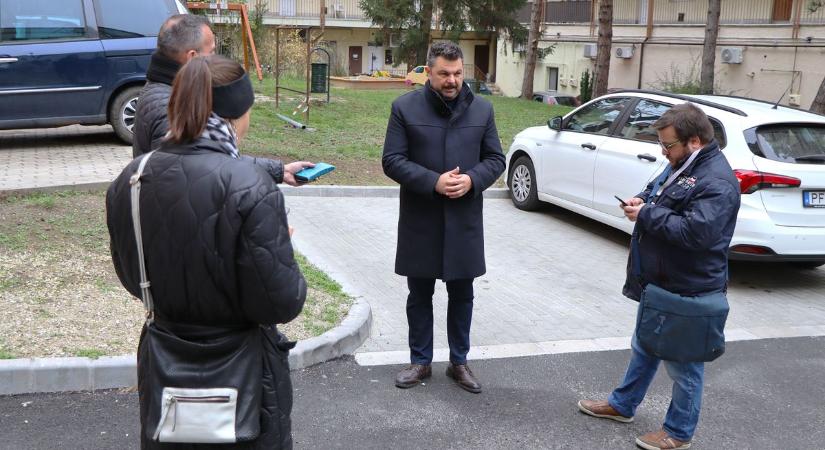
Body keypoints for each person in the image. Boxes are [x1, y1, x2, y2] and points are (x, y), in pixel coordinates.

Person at [107, 55, 307, 449]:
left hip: (164, 360)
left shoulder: (131, 179)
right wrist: (277, 245)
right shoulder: (250, 186)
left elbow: (133, 278)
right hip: (245, 373)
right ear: (236, 112)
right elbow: (283, 301)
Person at [577, 103, 741, 450]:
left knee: (684, 367)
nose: (664, 153)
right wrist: (642, 198)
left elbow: (696, 234)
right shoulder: (684, 164)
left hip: (688, 289)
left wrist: (647, 215)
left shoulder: (718, 181)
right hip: (662, 283)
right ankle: (622, 405)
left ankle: (679, 432)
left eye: (668, 146)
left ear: (694, 141)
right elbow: (661, 188)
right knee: (645, 347)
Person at [382, 42, 505, 394]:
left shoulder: (482, 110)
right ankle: (420, 361)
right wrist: (433, 181)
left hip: (464, 219)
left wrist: (471, 180)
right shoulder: (404, 107)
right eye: (444, 74)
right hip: (421, 218)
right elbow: (392, 160)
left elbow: (496, 160)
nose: (452, 81)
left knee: (462, 294)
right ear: (429, 72)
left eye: (457, 73)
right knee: (419, 294)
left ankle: (459, 362)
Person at [133, 14, 312, 185]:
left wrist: (280, 171)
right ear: (193, 57)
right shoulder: (170, 106)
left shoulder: (166, 90)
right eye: (211, 52)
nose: (215, 59)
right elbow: (198, 168)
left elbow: (206, 159)